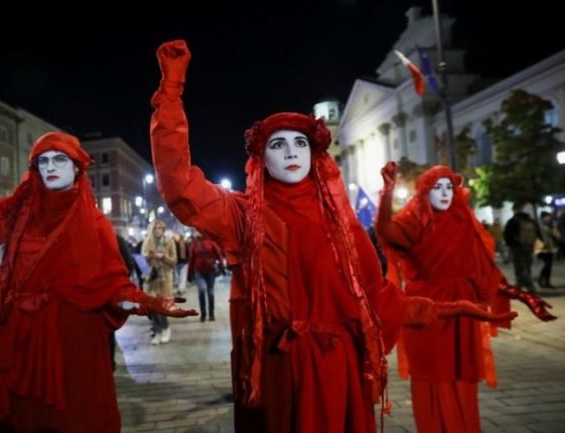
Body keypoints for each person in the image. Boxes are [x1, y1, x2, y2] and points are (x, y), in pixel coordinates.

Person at [149, 39, 515, 433]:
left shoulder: (344, 226)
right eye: (278, 144)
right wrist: (170, 93)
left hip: (338, 375)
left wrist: (454, 308)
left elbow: (380, 301)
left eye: (300, 143)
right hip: (279, 371)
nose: (291, 151)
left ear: (313, 154)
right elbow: (180, 186)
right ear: (261, 159)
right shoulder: (242, 216)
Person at [0, 114, 196, 433]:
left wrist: (147, 304)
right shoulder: (15, 212)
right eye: (43, 161)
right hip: (18, 345)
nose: (51, 166)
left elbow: (114, 288)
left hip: (70, 349)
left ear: (76, 168)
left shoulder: (95, 224)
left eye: (60, 159)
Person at [375, 162, 555, 433]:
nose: (446, 192)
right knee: (432, 381)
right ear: (425, 192)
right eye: (438, 187)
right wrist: (387, 193)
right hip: (428, 314)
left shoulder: (464, 224)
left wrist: (523, 296)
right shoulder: (413, 222)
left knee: (463, 379)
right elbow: (386, 231)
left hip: (464, 316)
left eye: (450, 186)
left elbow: (486, 274)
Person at [142, 219, 177, 345]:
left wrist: (163, 257)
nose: (157, 230)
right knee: (152, 308)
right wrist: (147, 258)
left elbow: (174, 261)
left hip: (164, 279)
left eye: (160, 228)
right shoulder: (147, 242)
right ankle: (157, 332)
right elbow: (142, 262)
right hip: (151, 279)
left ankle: (165, 328)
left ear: (163, 229)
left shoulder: (169, 242)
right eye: (155, 228)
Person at [188, 230, 225, 322]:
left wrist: (221, 267)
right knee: (201, 290)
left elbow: (219, 255)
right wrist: (189, 274)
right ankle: (203, 312)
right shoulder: (194, 244)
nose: (198, 233)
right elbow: (191, 259)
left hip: (210, 271)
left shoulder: (211, 242)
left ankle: (211, 313)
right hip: (198, 271)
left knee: (211, 293)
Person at [503, 202, 540, 292]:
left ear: (514, 210)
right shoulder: (530, 220)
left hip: (517, 247)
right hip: (529, 246)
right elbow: (537, 232)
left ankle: (524, 285)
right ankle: (527, 285)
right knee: (527, 266)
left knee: (519, 266)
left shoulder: (513, 221)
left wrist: (510, 244)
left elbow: (507, 234)